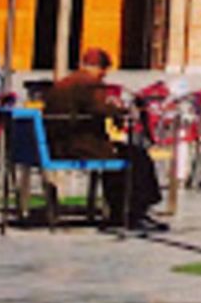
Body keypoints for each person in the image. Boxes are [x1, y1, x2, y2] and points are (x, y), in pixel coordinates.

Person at [45, 48, 163, 229]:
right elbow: (101, 109)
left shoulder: (62, 84)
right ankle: (132, 212)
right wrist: (119, 110)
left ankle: (122, 209)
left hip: (57, 144)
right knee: (136, 156)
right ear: (102, 68)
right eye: (104, 72)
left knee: (123, 152)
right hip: (79, 146)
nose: (104, 77)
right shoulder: (89, 84)